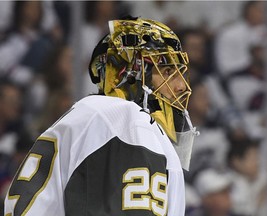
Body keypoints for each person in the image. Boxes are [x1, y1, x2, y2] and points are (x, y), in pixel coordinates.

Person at [4, 16, 199, 216]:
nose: (181, 86)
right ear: (132, 73)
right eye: (167, 71)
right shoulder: (127, 120)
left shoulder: (98, 116)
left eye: (180, 74)